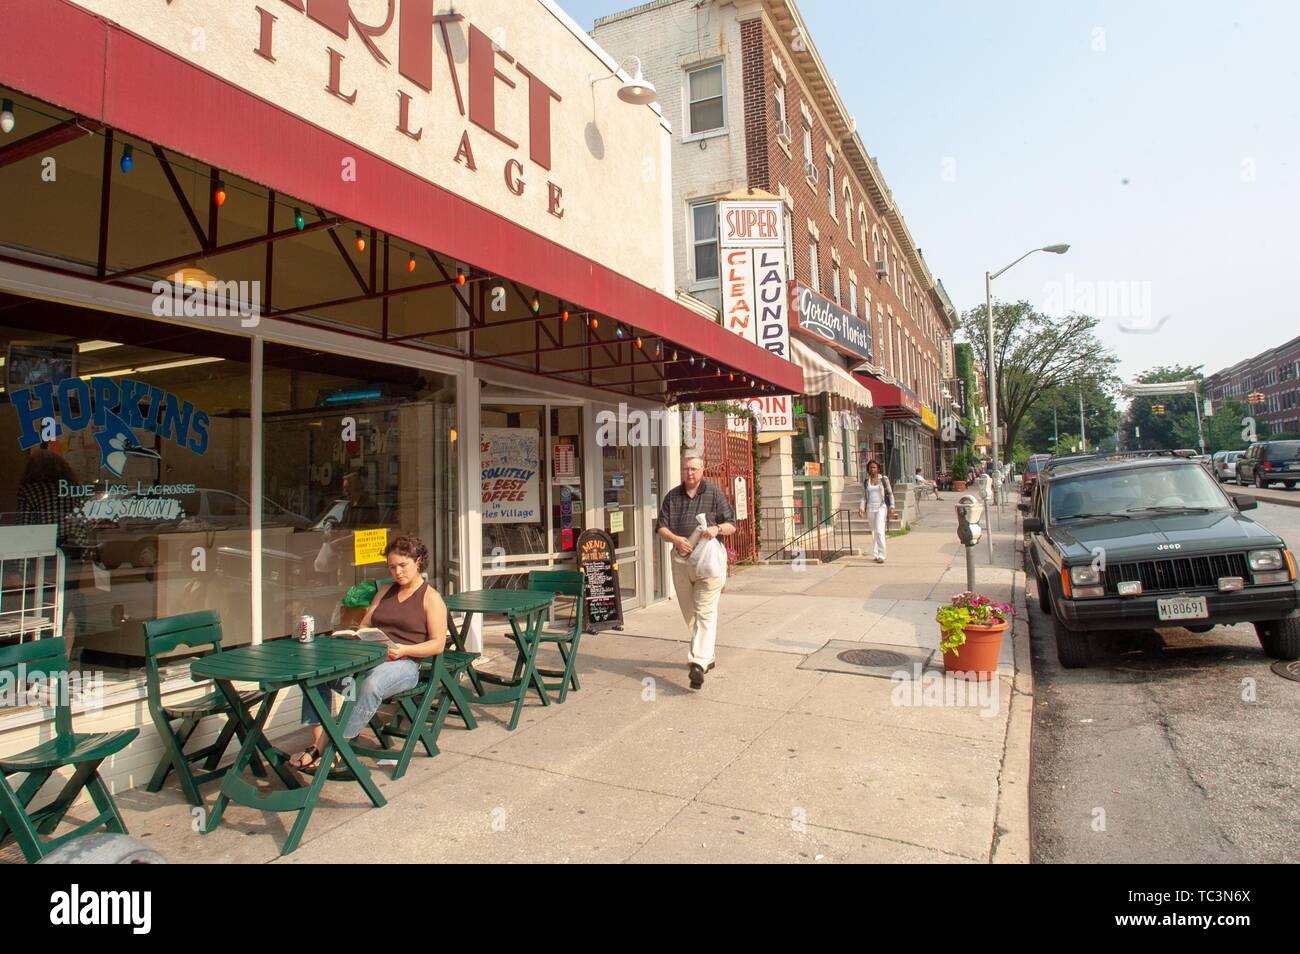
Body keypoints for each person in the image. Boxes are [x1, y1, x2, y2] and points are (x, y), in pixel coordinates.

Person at [290, 535, 447, 771]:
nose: (398, 572)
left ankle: (332, 747)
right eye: (392, 567)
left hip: (405, 665)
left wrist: (404, 649)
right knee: (317, 676)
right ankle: (319, 741)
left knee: (370, 685)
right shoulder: (385, 590)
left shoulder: (431, 598)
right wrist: (359, 635)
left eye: (403, 565)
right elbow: (365, 624)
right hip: (373, 656)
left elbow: (437, 644)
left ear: (419, 561)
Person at [655, 454, 736, 691]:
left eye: (694, 469)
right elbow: (660, 527)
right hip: (681, 561)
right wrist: (676, 539)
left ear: (702, 470)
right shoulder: (672, 496)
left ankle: (697, 664)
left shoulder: (713, 494)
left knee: (705, 611)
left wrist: (716, 528)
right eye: (685, 469)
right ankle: (707, 653)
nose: (689, 473)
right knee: (690, 612)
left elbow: (731, 525)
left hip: (709, 564)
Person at [17, 446, 93, 654]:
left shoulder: (29, 491)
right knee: (67, 604)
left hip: (46, 553)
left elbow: (26, 529)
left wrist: (19, 567)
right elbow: (83, 525)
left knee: (40, 607)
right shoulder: (72, 489)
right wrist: (86, 556)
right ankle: (64, 657)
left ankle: (40, 656)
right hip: (73, 551)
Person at [858, 460, 894, 563]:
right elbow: (863, 496)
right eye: (870, 468)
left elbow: (890, 493)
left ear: (878, 468)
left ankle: (882, 555)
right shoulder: (866, 481)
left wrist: (892, 506)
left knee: (879, 530)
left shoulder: (883, 479)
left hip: (881, 507)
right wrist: (861, 507)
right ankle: (876, 554)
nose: (872, 469)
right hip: (870, 508)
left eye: (874, 467)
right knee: (874, 531)